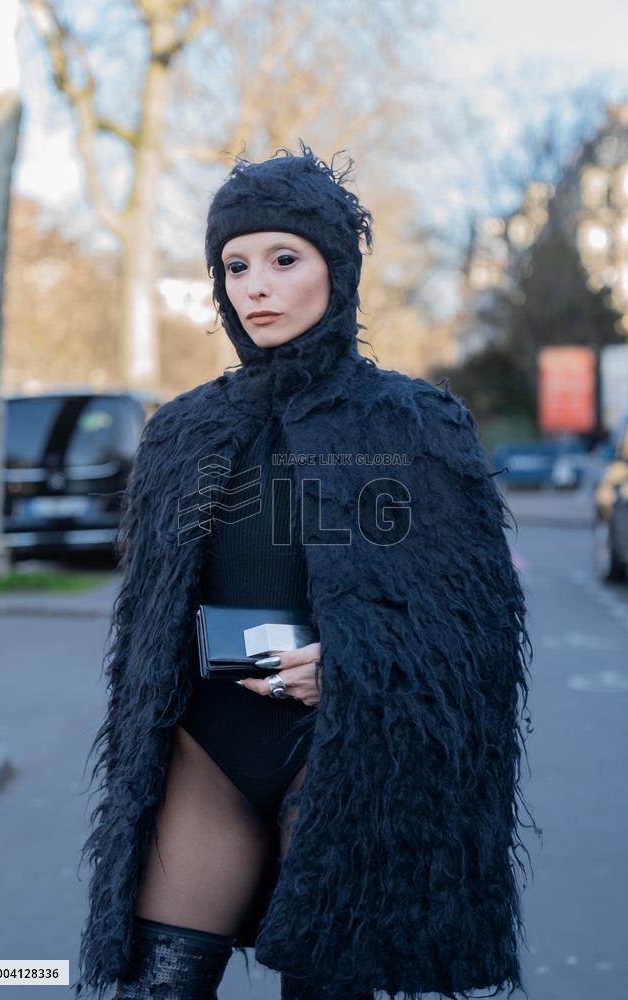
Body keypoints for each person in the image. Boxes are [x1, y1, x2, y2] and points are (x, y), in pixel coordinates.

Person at [74, 142, 539, 1000]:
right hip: (207, 749)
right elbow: (148, 628)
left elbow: (475, 629)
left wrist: (358, 662)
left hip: (345, 754)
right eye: (235, 265)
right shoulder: (182, 431)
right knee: (156, 986)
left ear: (338, 269)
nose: (255, 286)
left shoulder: (418, 423)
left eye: (284, 259)